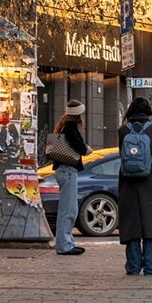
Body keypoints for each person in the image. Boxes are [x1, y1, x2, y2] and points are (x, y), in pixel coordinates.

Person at [118, 96, 152, 276]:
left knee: (131, 224)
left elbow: (121, 154)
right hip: (150, 181)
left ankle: (132, 266)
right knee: (151, 223)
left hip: (127, 181)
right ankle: (151, 268)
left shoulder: (123, 130)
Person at [52, 99, 90, 256]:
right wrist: (87, 149)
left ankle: (66, 243)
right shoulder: (70, 128)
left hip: (63, 170)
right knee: (69, 210)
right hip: (68, 170)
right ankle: (64, 245)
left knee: (68, 208)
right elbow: (80, 147)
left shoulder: (63, 126)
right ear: (79, 114)